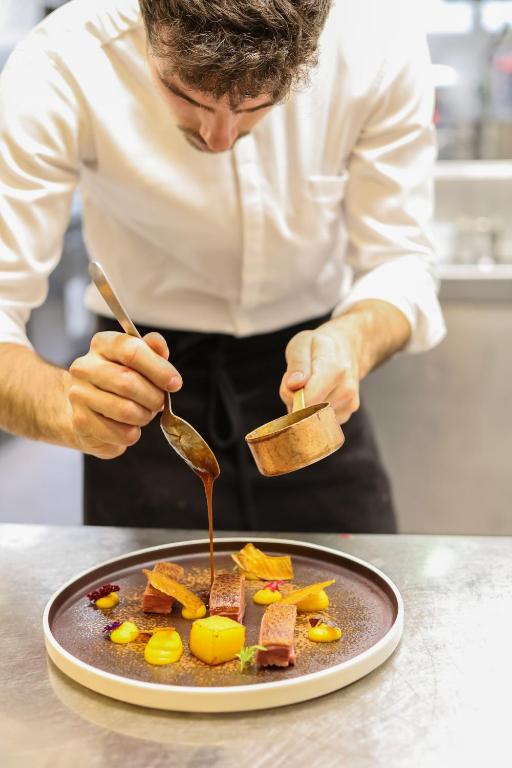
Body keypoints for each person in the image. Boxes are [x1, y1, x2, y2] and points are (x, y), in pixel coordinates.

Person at [0, 0, 446, 533]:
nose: (220, 139)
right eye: (185, 95)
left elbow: (400, 259)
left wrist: (354, 340)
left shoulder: (377, 39)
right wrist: (64, 407)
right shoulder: (64, 58)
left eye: (260, 104)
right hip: (145, 392)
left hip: (307, 387)